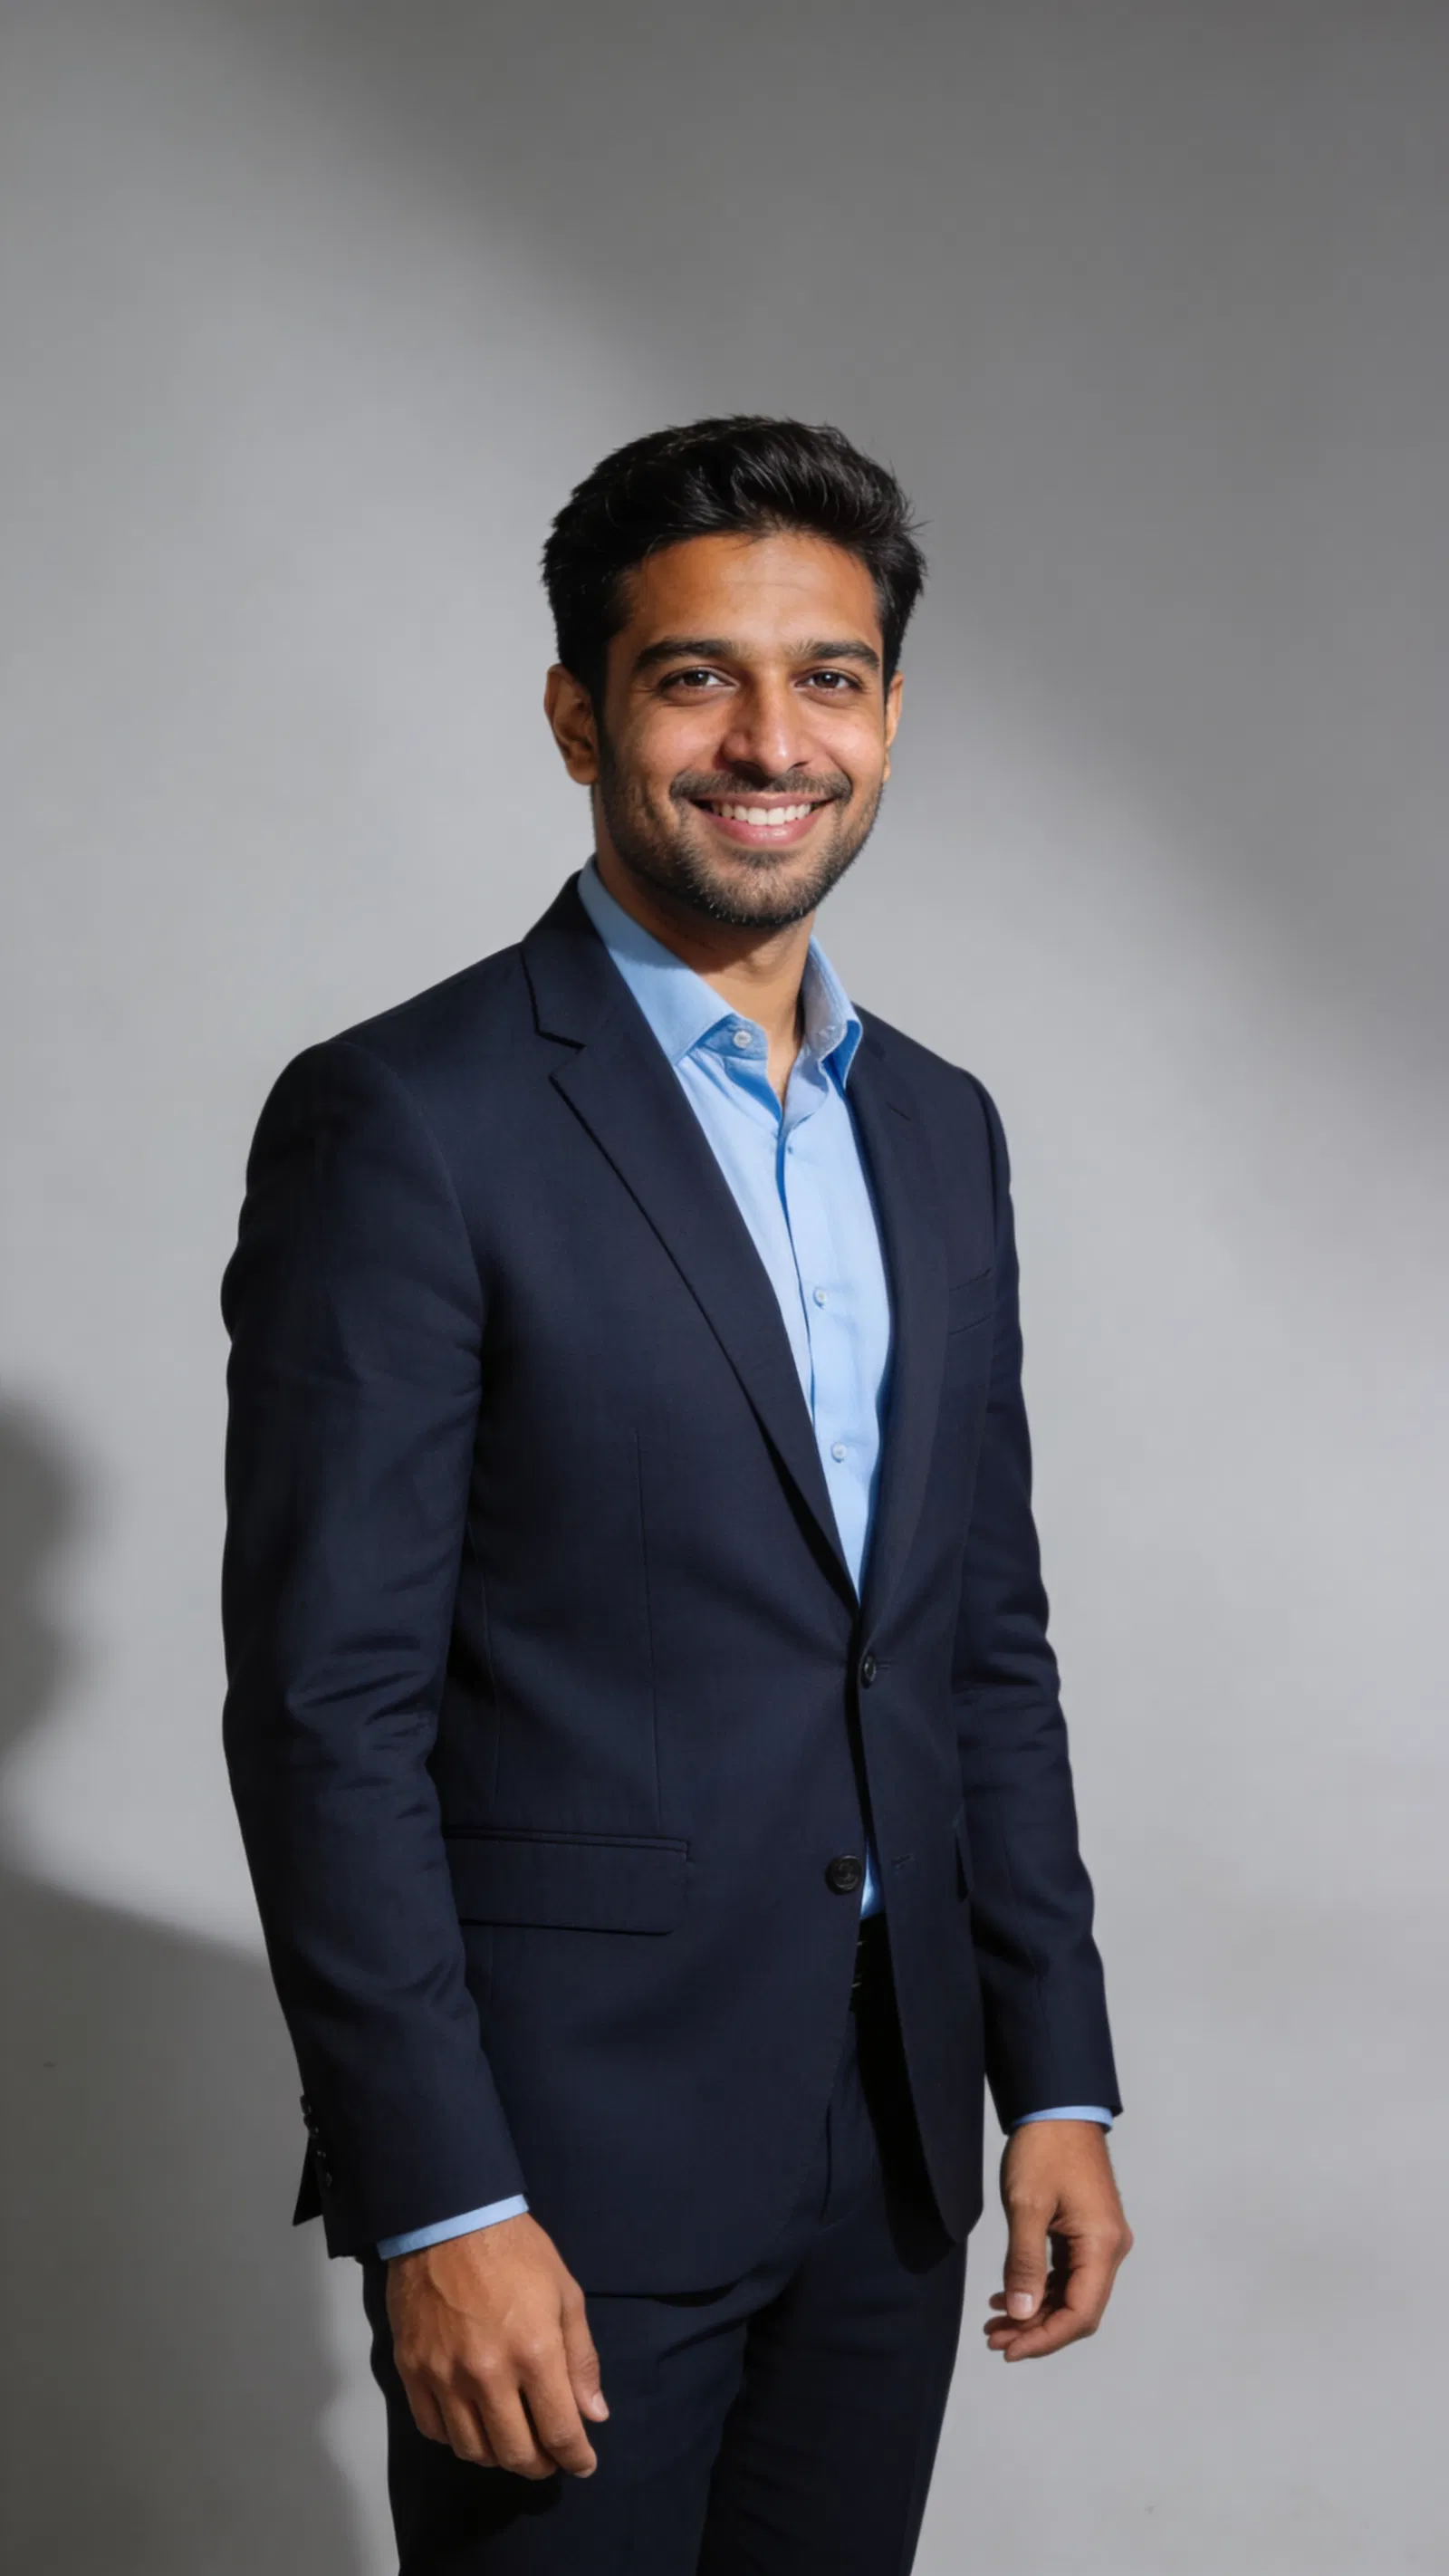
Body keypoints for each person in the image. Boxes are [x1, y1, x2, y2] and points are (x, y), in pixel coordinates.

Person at [221, 415, 1131, 2574]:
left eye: (824, 677)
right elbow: (322, 1711)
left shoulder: (940, 1129)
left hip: (895, 2155)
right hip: (564, 2170)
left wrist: (1056, 2078)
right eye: (690, 674)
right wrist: (439, 2196)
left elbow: (969, 1634)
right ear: (577, 713)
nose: (766, 738)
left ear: (889, 715)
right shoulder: (406, 1120)